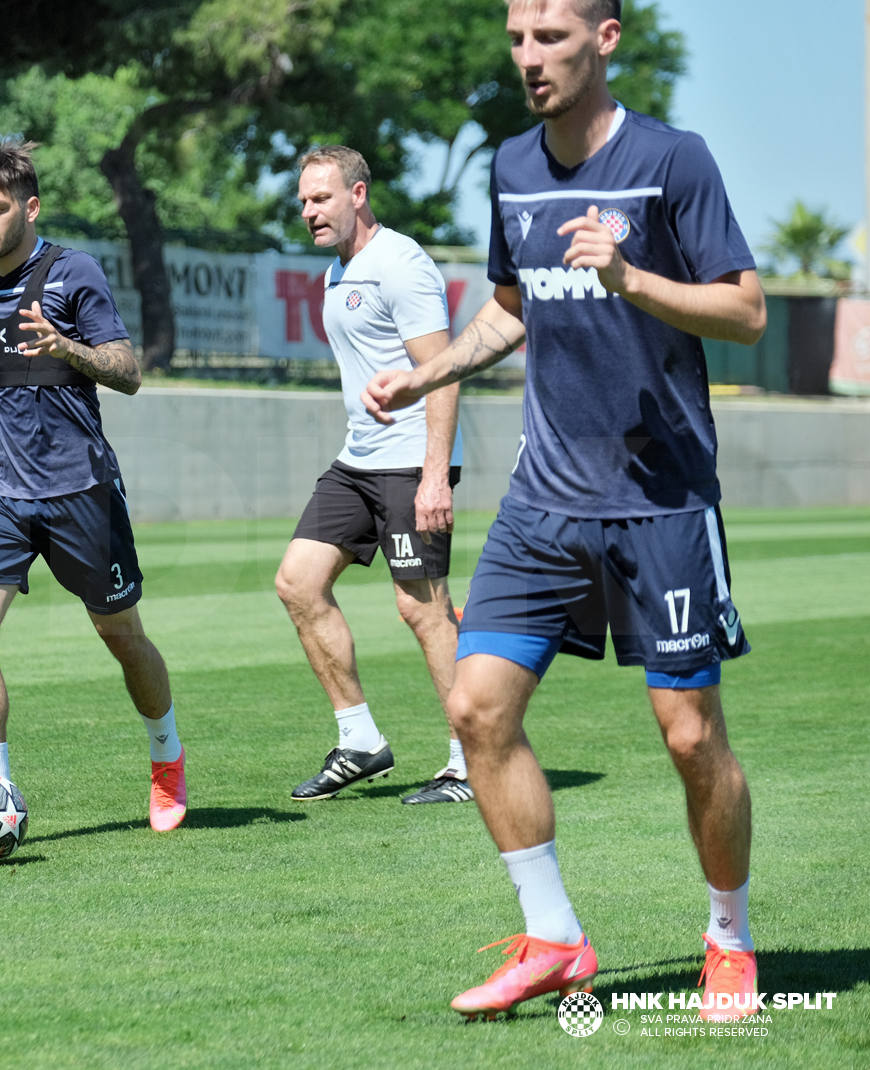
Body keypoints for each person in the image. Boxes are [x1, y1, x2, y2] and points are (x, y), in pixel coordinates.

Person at [364, 0, 765, 1022]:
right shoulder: (510, 167)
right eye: (516, 39)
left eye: (550, 37)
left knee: (687, 736)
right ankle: (552, 938)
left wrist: (631, 277)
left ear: (606, 38)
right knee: (474, 705)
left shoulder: (674, 160)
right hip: (544, 498)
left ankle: (728, 936)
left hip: (661, 498)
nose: (529, 58)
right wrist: (432, 373)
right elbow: (511, 300)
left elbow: (745, 310)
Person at [0, 143, 186, 835]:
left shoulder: (72, 272)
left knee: (122, 636)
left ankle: (166, 759)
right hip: (5, 494)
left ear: (30, 207)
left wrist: (66, 349)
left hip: (82, 490)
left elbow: (128, 370)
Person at [275, 145, 471, 807]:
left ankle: (471, 759)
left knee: (422, 607)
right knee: (298, 584)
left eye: (321, 198)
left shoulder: (400, 263)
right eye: (304, 200)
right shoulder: (338, 270)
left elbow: (442, 372)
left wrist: (436, 477)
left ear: (358, 194)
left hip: (413, 461)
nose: (310, 211)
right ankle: (359, 741)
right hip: (359, 460)